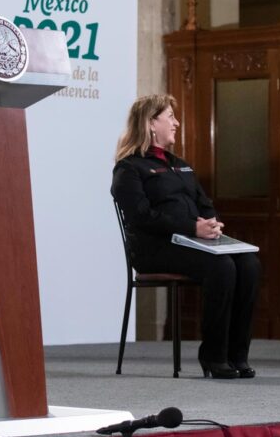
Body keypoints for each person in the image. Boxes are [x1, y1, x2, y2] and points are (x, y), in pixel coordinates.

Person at [111, 94, 261, 379]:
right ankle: (214, 357)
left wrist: (211, 223)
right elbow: (141, 216)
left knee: (250, 264)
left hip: (194, 243)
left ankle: (236, 355)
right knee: (222, 267)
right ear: (151, 123)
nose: (177, 123)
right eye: (170, 117)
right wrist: (192, 228)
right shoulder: (129, 168)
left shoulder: (180, 164)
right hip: (154, 249)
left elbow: (203, 202)